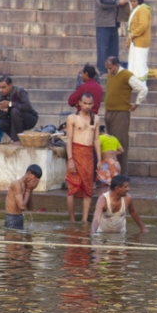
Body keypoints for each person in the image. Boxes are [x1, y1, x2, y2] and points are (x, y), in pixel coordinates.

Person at [103, 56, 148, 175]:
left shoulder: (126, 75)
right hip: (109, 112)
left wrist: (136, 104)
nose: (109, 71)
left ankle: (122, 174)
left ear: (117, 65)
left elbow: (143, 89)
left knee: (121, 143)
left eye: (111, 68)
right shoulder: (110, 75)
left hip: (121, 114)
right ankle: (112, 172)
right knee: (111, 144)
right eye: (107, 68)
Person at [66, 93, 102, 223]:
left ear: (93, 104)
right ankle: (72, 219)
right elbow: (69, 140)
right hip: (75, 154)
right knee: (72, 190)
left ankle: (85, 220)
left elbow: (97, 140)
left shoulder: (96, 119)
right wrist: (70, 160)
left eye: (90, 104)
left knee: (88, 189)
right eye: (85, 103)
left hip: (89, 156)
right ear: (79, 103)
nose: (87, 106)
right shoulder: (72, 118)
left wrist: (99, 159)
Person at [94, 0, 127, 72]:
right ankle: (102, 69)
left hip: (113, 23)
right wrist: (117, 2)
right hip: (103, 24)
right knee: (102, 48)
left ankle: (114, 68)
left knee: (114, 48)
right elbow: (102, 3)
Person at [0, 75, 39, 141]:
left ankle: (16, 139)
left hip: (29, 119)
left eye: (3, 87)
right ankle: (17, 139)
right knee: (0, 124)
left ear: (10, 85)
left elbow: (27, 107)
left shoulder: (19, 91)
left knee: (15, 111)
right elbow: (1, 117)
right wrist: (4, 111)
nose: (1, 90)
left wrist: (10, 104)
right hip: (14, 120)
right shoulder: (1, 96)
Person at [5, 165, 43, 229]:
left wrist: (30, 190)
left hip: (20, 217)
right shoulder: (16, 184)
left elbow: (30, 208)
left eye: (37, 180)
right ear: (29, 173)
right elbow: (22, 207)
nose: (35, 182)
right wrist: (28, 190)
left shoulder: (27, 186)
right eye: (35, 178)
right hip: (11, 218)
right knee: (12, 237)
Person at [126, 0, 151, 83]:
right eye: (131, 1)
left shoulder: (143, 10)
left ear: (139, 1)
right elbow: (130, 28)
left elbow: (143, 25)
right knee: (134, 64)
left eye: (134, 1)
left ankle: (142, 84)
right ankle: (135, 83)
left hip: (141, 42)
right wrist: (128, 41)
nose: (133, 3)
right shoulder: (135, 10)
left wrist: (133, 34)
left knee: (140, 65)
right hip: (134, 42)